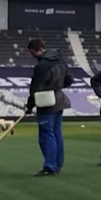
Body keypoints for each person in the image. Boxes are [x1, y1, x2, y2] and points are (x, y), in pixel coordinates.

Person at [25, 38, 74, 177]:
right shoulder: (60, 59)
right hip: (59, 99)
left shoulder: (42, 66)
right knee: (57, 133)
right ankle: (57, 165)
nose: (32, 56)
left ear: (37, 50)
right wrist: (57, 87)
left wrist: (29, 106)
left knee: (47, 135)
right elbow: (69, 79)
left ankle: (50, 166)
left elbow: (35, 89)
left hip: (46, 102)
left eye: (32, 53)